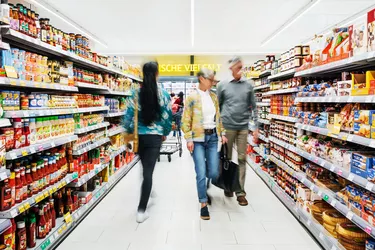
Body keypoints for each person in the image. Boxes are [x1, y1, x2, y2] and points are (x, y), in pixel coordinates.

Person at [123, 61, 172, 223]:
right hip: (154, 138)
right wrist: (164, 132)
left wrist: (128, 133)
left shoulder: (135, 93)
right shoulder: (163, 94)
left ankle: (149, 189)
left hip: (139, 137)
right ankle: (141, 210)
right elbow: (167, 117)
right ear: (157, 74)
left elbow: (128, 116)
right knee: (148, 172)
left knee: (145, 169)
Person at [182, 68, 227, 220]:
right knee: (201, 173)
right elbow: (186, 119)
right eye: (211, 80)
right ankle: (203, 204)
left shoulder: (214, 97)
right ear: (202, 79)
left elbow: (218, 118)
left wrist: (223, 133)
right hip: (197, 140)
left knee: (213, 172)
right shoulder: (192, 97)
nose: (213, 83)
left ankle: (204, 182)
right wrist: (188, 139)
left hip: (213, 137)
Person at [217, 57, 259, 206]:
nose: (240, 69)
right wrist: (220, 130)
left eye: (242, 66)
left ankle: (240, 192)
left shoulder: (248, 85)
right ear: (231, 68)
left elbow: (254, 106)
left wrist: (256, 127)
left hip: (243, 127)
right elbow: (218, 108)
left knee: (242, 159)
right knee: (226, 159)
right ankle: (228, 186)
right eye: (238, 67)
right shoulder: (222, 85)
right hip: (227, 127)